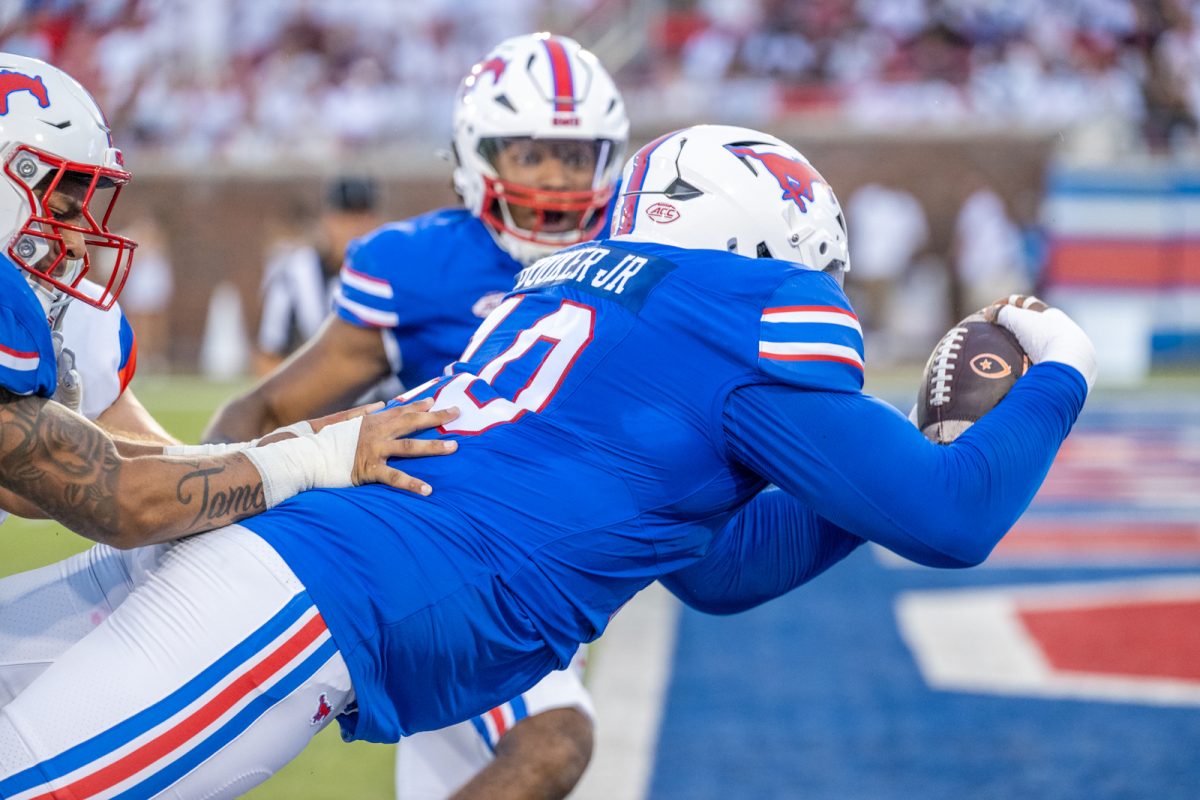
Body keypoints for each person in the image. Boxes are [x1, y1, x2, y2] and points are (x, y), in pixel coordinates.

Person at [0, 123, 1096, 800]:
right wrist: (1058, 368)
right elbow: (954, 518)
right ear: (779, 245)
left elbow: (716, 569)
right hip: (316, 597)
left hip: (291, 560)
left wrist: (864, 480)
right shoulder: (755, 309)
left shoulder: (571, 286)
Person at [203, 33, 629, 798]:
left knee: (458, 777)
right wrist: (198, 511)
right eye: (530, 154)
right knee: (553, 744)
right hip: (454, 552)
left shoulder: (636, 264)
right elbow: (268, 402)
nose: (557, 179)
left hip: (555, 566)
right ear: (475, 155)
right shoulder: (418, 264)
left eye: (576, 155)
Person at [0, 52, 455, 547]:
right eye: (62, 212)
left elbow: (143, 461)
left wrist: (270, 452)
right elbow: (117, 497)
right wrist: (308, 458)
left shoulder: (74, 315)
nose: (77, 244)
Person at [254, 176, 382, 375]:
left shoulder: (388, 273)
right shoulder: (296, 273)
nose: (354, 228)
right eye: (344, 219)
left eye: (362, 218)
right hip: (318, 396)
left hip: (382, 398)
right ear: (327, 220)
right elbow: (270, 353)